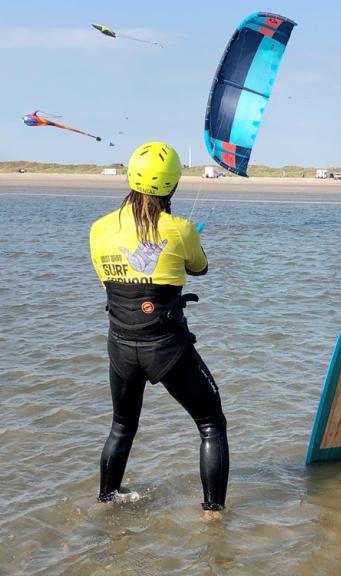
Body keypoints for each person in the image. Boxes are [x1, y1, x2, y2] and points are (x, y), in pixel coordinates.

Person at [90, 141, 229, 519]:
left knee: (122, 426)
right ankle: (213, 514)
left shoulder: (99, 228)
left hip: (120, 346)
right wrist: (189, 239)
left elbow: (111, 278)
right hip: (167, 348)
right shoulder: (181, 229)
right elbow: (199, 268)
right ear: (172, 186)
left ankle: (106, 503)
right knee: (211, 423)